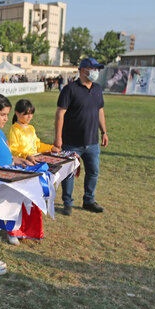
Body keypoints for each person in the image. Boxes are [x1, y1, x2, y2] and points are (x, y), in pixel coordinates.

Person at [54, 57, 109, 216]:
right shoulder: (70, 89)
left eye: (97, 70)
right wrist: (58, 138)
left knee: (93, 172)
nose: (96, 73)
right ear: (83, 70)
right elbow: (60, 114)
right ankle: (67, 203)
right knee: (69, 173)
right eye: (93, 69)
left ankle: (89, 200)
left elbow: (100, 111)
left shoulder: (98, 89)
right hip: (72, 142)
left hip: (92, 142)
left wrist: (104, 131)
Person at [0, 93, 32, 252]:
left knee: (0, 215)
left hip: (5, 182)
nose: (6, 118)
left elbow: (7, 156)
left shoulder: (0, 133)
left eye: (7, 115)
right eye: (2, 114)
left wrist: (19, 160)